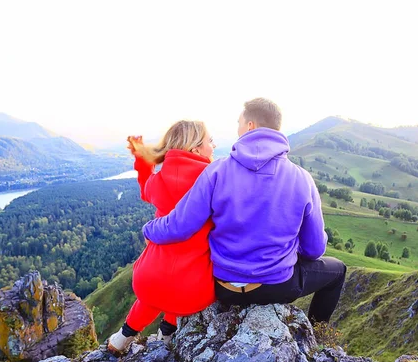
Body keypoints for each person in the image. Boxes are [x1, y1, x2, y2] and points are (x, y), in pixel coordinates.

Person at [142, 98, 347, 324]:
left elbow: (179, 226)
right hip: (276, 287)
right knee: (337, 270)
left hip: (224, 288)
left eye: (238, 122)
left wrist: (148, 229)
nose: (237, 128)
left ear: (250, 126)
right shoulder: (301, 179)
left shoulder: (216, 171)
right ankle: (318, 333)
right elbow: (315, 249)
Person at [108, 120, 217, 353]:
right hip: (194, 290)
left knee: (152, 297)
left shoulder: (158, 180)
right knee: (181, 284)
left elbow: (144, 189)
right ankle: (168, 332)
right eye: (210, 141)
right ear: (196, 148)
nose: (214, 145)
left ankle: (123, 336)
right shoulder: (213, 179)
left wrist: (140, 158)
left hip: (149, 278)